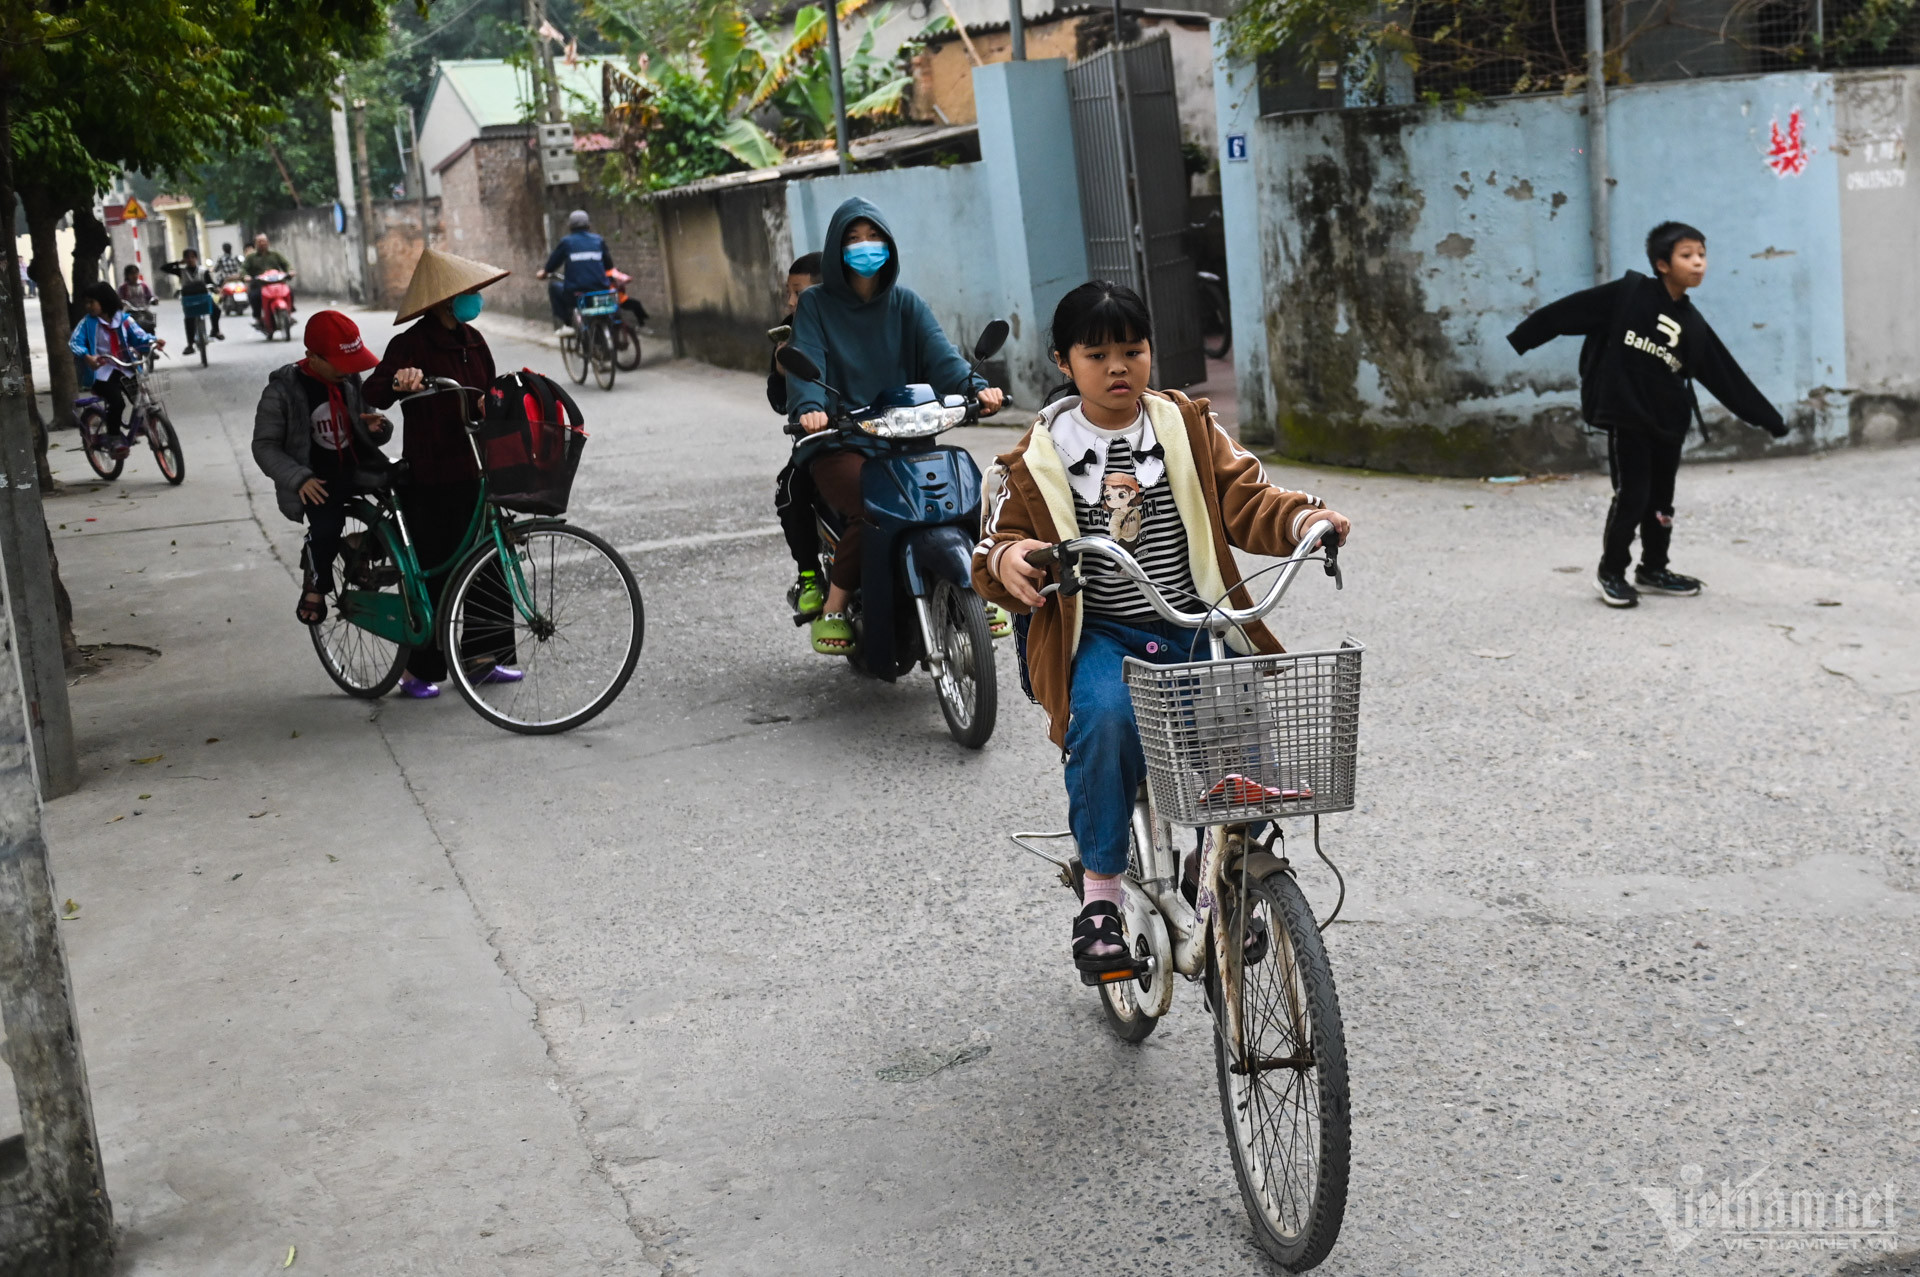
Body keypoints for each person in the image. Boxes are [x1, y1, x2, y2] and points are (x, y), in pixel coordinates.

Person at [971, 281, 1351, 974]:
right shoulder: (1039, 453)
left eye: (1132, 349)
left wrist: (1304, 519)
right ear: (1064, 361)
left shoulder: (1184, 425)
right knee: (1107, 720)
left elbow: (1247, 494)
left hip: (1193, 621)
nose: (1118, 367)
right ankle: (1102, 899)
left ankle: (1226, 872)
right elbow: (995, 547)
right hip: (1102, 634)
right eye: (1097, 354)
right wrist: (1014, 557)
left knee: (1241, 727)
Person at [1508, 221, 1788, 608]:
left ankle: (1653, 569)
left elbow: (1726, 376)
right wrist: (1523, 338)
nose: (1699, 264)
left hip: (1668, 423)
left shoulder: (1694, 324)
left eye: (1702, 256)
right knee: (1633, 496)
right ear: (1662, 264)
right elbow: (1568, 311)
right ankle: (1611, 572)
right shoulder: (1630, 294)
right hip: (1628, 416)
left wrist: (1768, 418)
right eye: (1687, 256)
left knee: (1661, 502)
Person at [785, 197, 1005, 654]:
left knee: (968, 495)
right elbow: (806, 364)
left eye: (874, 238)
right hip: (841, 441)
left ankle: (979, 578)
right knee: (874, 509)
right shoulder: (816, 305)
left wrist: (977, 388)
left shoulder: (906, 304)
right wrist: (811, 408)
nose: (866, 247)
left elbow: (942, 357)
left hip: (906, 438)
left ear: (889, 246)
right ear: (835, 250)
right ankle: (835, 605)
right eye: (853, 239)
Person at [362, 247, 518, 699]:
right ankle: (419, 669)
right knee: (432, 568)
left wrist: (492, 401)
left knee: (489, 559)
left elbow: (486, 388)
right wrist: (399, 381)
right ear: (447, 299)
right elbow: (375, 389)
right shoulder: (410, 345)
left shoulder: (474, 341)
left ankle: (483, 656)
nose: (475, 299)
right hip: (431, 471)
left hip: (476, 464)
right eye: (468, 292)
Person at [250, 311, 392, 626]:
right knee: (326, 528)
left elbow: (368, 422)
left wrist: (375, 428)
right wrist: (298, 478)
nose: (349, 370)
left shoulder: (351, 379)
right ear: (311, 357)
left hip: (359, 468)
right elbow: (264, 446)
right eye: (339, 363)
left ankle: (359, 546)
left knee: (409, 499)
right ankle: (315, 584)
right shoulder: (282, 390)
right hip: (317, 480)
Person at [770, 251, 825, 618]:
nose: (791, 302)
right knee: (790, 491)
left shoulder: (867, 321)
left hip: (881, 433)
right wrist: (779, 369)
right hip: (820, 441)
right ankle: (810, 575)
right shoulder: (789, 333)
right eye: (789, 293)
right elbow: (778, 401)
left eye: (799, 293)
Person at [68, 281, 162, 456]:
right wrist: (88, 356)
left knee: (141, 396)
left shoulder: (124, 320)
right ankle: (113, 437)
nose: (88, 307)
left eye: (92, 302)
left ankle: (142, 424)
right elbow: (75, 342)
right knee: (116, 402)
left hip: (125, 367)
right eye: (86, 303)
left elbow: (139, 336)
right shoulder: (88, 323)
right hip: (101, 373)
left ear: (104, 301)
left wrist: (153, 341)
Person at [536, 209, 613, 334]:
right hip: (600, 290)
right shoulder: (598, 240)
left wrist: (544, 272)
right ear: (589, 225)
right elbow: (609, 265)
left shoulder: (567, 242)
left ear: (570, 226)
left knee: (554, 287)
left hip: (577, 292)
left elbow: (553, 263)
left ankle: (567, 324)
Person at [161, 247, 221, 346]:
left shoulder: (203, 271)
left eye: (192, 257)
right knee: (189, 319)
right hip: (189, 300)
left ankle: (215, 330)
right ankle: (190, 344)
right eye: (187, 258)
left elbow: (210, 283)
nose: (190, 260)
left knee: (216, 310)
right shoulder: (181, 271)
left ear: (196, 258)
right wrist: (178, 263)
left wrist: (216, 288)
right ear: (184, 259)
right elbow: (164, 268)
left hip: (203, 298)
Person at [243, 232, 293, 325]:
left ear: (268, 242)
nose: (262, 243)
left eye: (264, 241)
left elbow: (286, 264)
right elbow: (244, 269)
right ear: (255, 244)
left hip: (277, 283)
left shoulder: (275, 254)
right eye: (259, 242)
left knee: (289, 291)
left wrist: (290, 271)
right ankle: (258, 317)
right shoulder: (251, 257)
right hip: (259, 285)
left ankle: (290, 310)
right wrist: (246, 276)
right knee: (254, 296)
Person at [119, 265, 156, 331]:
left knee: (151, 319)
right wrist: (123, 303)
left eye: (136, 273)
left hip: (144, 310)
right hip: (130, 311)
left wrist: (153, 300)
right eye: (132, 273)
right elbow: (120, 299)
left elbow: (150, 296)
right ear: (127, 275)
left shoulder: (143, 285)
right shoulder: (123, 287)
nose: (134, 275)